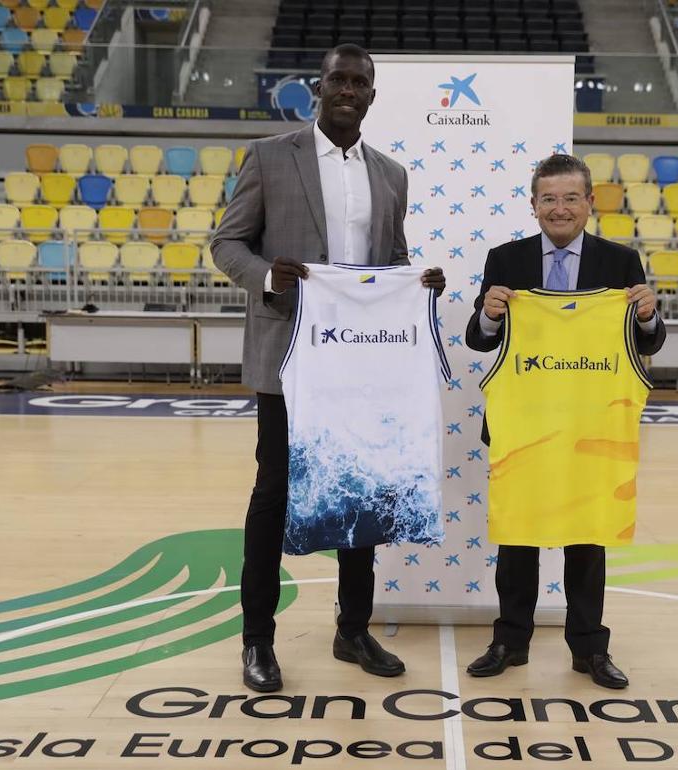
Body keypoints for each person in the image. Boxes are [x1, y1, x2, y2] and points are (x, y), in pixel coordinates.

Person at [211, 43, 445, 693]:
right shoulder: (267, 156)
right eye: (337, 79)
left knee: (358, 494)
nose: (347, 89)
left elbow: (391, 265)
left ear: (372, 94)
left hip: (359, 363)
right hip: (288, 360)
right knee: (273, 496)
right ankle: (257, 640)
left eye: (359, 81)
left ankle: (353, 629)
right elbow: (226, 244)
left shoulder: (393, 175)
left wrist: (418, 284)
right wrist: (265, 277)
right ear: (319, 88)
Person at [463, 154, 665, 689]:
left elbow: (645, 343)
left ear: (589, 204)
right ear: (533, 206)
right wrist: (489, 312)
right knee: (518, 538)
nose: (560, 208)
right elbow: (478, 339)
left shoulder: (621, 262)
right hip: (523, 428)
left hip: (589, 428)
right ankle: (510, 641)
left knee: (587, 537)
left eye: (570, 197)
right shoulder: (504, 259)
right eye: (548, 198)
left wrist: (647, 315)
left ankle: (589, 649)